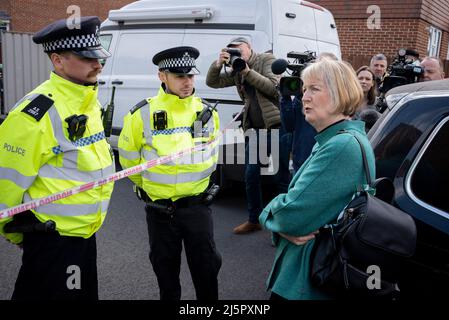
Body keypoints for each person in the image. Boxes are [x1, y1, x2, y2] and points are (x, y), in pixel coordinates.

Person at [0, 16, 114, 300]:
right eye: (87, 58)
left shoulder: (89, 101)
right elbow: (6, 183)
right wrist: (19, 233)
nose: (98, 64)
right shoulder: (35, 113)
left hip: (84, 236)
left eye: (98, 57)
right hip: (53, 240)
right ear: (58, 60)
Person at [259, 58, 376, 300]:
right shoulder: (333, 139)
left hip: (307, 282)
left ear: (340, 93)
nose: (305, 97)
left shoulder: (341, 145)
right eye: (304, 90)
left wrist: (269, 214)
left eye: (314, 88)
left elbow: (290, 215)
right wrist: (283, 225)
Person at [118, 46, 222, 301]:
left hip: (197, 208)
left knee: (206, 270)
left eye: (190, 76)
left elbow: (212, 157)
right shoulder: (141, 114)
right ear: (162, 76)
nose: (187, 82)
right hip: (160, 210)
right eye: (179, 76)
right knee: (165, 272)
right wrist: (150, 187)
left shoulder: (207, 113)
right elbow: (128, 157)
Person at [206, 37, 290, 234]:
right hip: (255, 131)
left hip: (276, 127)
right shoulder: (235, 69)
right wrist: (218, 64)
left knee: (281, 177)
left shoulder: (266, 60)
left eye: (239, 49)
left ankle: (284, 223)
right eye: (232, 50)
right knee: (251, 175)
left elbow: (273, 88)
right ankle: (254, 219)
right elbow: (213, 82)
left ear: (249, 48)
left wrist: (247, 71)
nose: (236, 53)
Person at [354, 66, 380, 132]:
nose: (363, 81)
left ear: (372, 83)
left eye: (367, 79)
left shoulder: (379, 103)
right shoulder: (346, 101)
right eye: (360, 78)